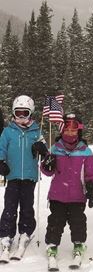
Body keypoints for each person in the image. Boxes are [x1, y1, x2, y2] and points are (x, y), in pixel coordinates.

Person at [41, 113, 93, 259]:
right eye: (67, 130)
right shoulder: (55, 148)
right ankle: (52, 244)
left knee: (77, 221)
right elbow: (47, 172)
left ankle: (78, 243)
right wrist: (47, 164)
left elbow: (91, 173)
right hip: (57, 195)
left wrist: (91, 189)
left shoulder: (85, 150)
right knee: (55, 220)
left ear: (79, 131)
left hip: (77, 196)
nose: (70, 133)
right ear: (62, 131)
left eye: (73, 130)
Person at [0, 95, 47, 255]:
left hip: (29, 176)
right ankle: (6, 234)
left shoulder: (36, 131)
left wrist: (42, 149)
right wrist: (1, 162)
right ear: (13, 113)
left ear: (31, 113)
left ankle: (26, 232)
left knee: (27, 207)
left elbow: (46, 153)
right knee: (10, 206)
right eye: (18, 113)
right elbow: (1, 149)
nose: (21, 117)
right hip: (12, 176)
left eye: (24, 113)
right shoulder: (7, 132)